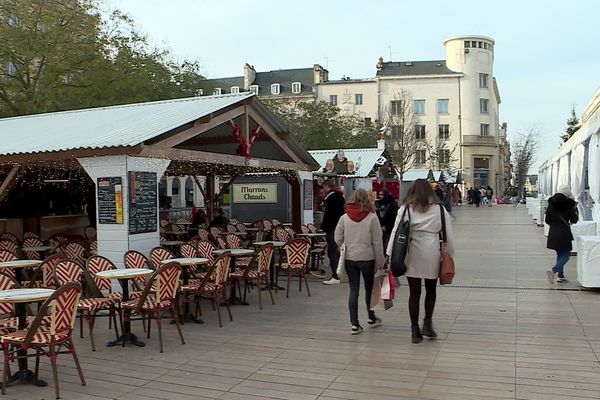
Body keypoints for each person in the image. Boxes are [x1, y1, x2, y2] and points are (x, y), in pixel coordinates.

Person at [387, 179, 455, 343]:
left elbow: (396, 231)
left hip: (412, 251)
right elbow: (447, 233)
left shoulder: (405, 208)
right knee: (431, 289)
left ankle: (414, 330)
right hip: (432, 250)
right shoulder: (439, 209)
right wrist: (450, 254)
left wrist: (389, 253)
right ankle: (427, 323)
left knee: (414, 292)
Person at [335, 188, 385, 334]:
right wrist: (380, 260)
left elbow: (337, 237)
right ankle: (371, 316)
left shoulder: (344, 217)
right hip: (368, 258)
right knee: (369, 288)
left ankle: (354, 324)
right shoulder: (372, 217)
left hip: (350, 258)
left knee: (353, 290)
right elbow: (377, 241)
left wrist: (344, 246)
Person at [545, 186, 578, 283]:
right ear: (567, 194)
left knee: (560, 254)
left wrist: (554, 225)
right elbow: (574, 220)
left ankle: (561, 276)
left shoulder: (551, 204)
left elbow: (547, 220)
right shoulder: (569, 204)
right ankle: (553, 271)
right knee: (566, 255)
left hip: (553, 231)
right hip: (564, 232)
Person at [320, 180, 346, 284]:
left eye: (324, 187)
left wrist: (323, 226)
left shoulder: (331, 198)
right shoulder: (340, 197)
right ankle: (339, 273)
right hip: (339, 228)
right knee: (338, 252)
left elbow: (328, 216)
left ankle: (335, 276)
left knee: (332, 252)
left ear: (327, 186)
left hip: (331, 229)